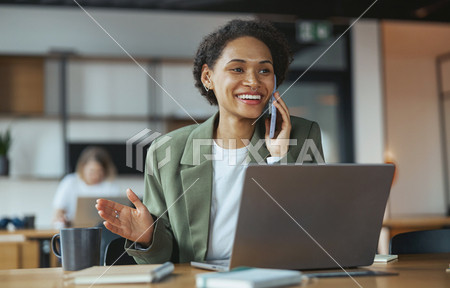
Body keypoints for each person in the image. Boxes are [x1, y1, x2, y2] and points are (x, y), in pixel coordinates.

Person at [96, 19, 324, 264]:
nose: (253, 82)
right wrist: (148, 236)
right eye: (237, 69)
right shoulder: (167, 150)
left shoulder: (301, 135)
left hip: (275, 281)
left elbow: (311, 232)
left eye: (264, 70)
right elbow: (163, 258)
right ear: (208, 77)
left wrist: (279, 158)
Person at [53, 146, 120, 228]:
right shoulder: (70, 182)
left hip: (103, 231)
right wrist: (62, 221)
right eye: (92, 171)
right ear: (83, 168)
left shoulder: (110, 186)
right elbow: (58, 213)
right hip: (74, 230)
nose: (95, 176)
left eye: (99, 171)